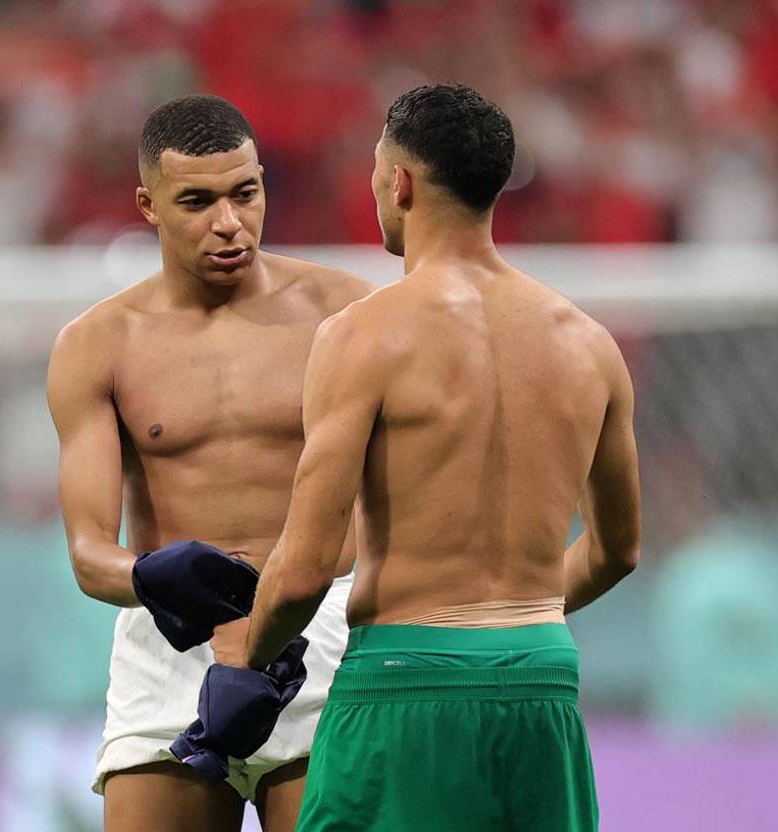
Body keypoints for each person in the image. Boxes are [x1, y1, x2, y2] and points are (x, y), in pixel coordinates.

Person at [212, 84, 642, 831]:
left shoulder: (364, 336)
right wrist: (506, 634)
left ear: (400, 182)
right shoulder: (589, 345)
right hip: (543, 680)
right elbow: (618, 551)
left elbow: (307, 567)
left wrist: (242, 661)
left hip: (403, 684)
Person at [46, 94, 372, 831]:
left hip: (323, 642)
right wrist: (150, 577)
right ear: (148, 205)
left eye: (244, 193)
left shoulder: (347, 316)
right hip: (172, 649)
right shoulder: (97, 345)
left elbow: (406, 505)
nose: (229, 223)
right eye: (196, 201)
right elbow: (89, 554)